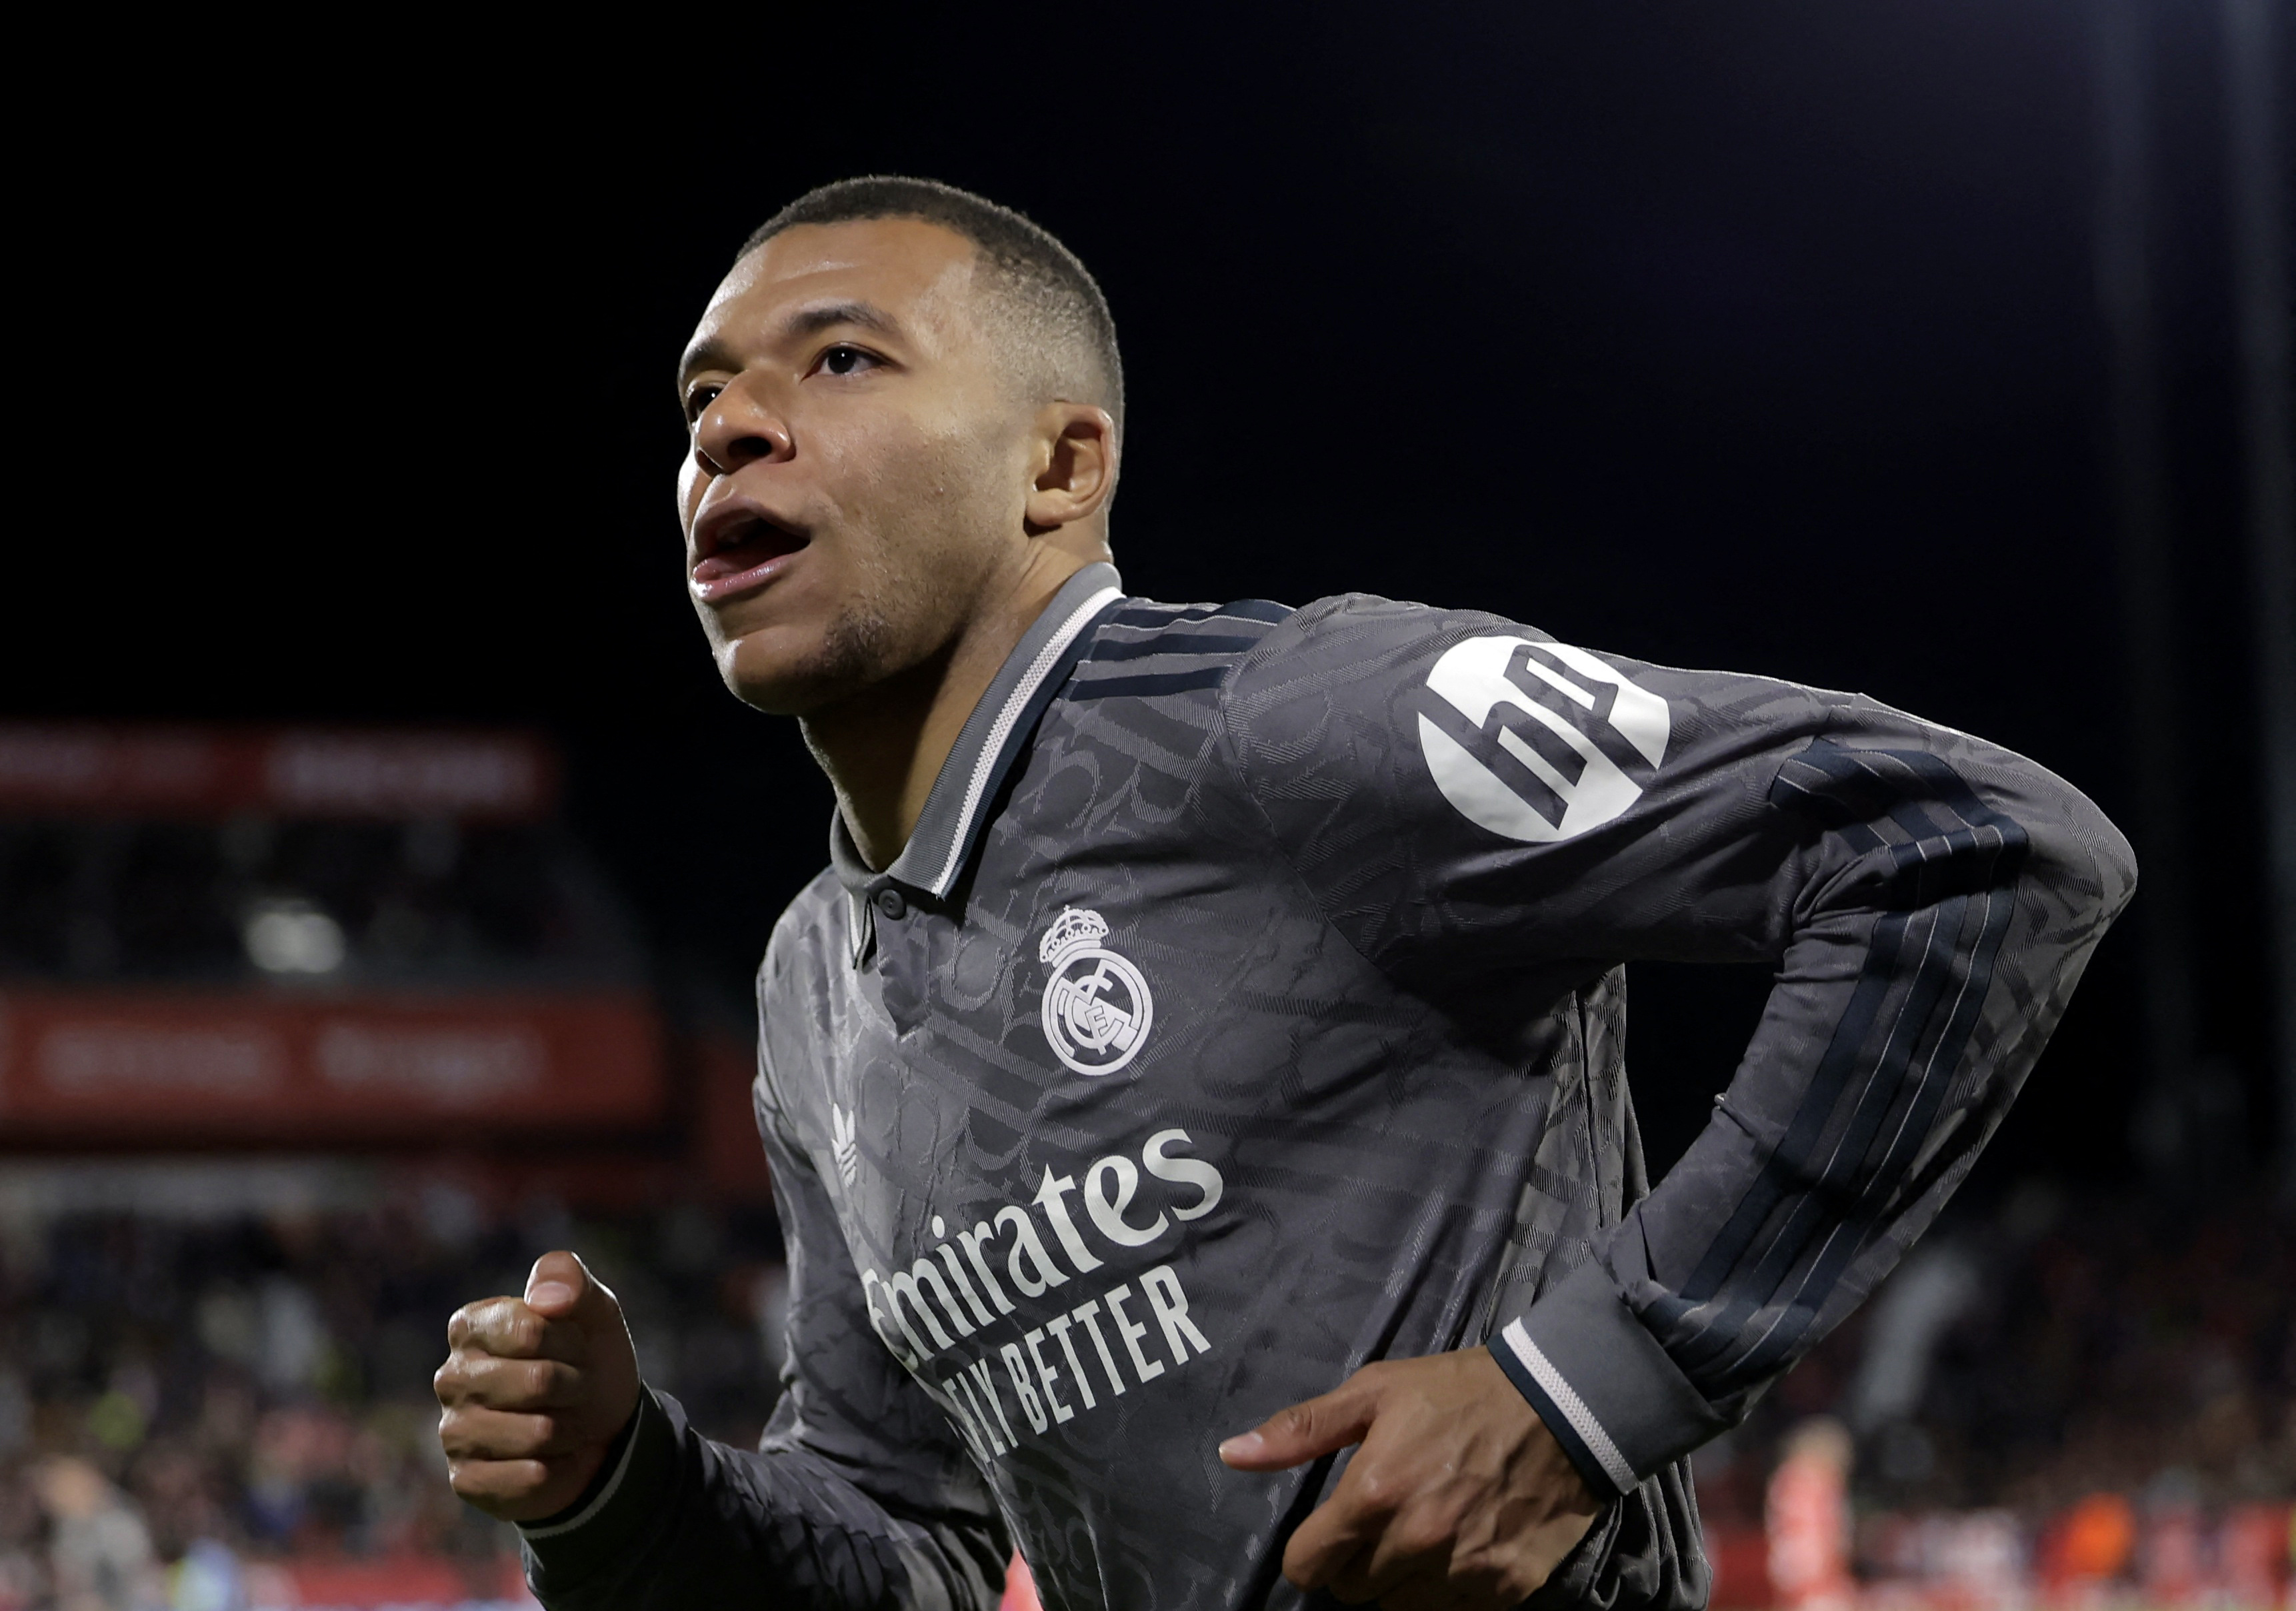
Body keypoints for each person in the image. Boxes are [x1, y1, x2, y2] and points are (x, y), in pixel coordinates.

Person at [432, 177, 2135, 1611]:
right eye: (700, 397)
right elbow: (906, 1542)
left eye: (843, 359)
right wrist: (618, 1485)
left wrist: (1586, 1391)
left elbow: (1974, 851)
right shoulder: (815, 984)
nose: (729, 426)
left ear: (1060, 469)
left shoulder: (1298, 721)